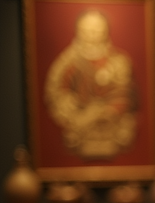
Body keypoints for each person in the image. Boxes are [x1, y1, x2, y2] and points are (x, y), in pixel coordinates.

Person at [45, 10, 138, 159]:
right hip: (80, 123)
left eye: (97, 31)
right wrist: (72, 105)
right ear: (78, 32)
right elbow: (58, 93)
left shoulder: (119, 62)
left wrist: (108, 111)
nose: (92, 36)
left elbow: (125, 94)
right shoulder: (67, 63)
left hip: (111, 123)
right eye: (87, 31)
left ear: (105, 32)